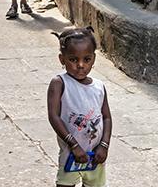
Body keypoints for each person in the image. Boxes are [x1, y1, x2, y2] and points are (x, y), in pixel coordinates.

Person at [47, 27, 112, 187]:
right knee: (65, 184)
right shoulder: (60, 83)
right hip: (71, 154)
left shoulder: (99, 87)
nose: (81, 65)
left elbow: (106, 117)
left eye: (87, 59)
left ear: (94, 59)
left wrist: (104, 145)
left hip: (95, 155)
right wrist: (74, 145)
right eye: (73, 60)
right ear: (62, 59)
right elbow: (54, 116)